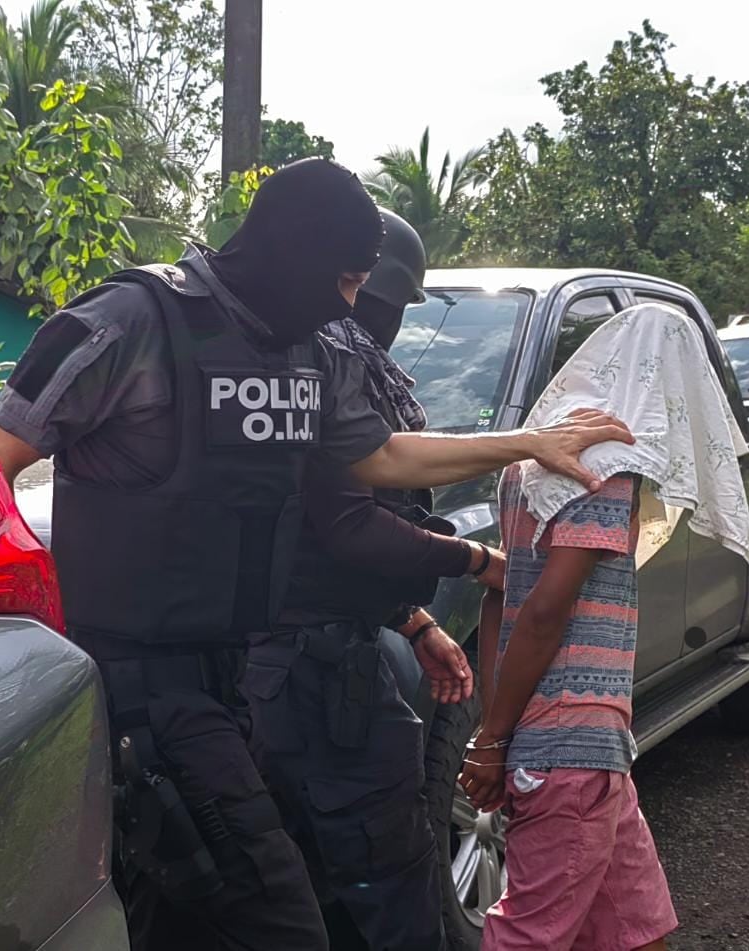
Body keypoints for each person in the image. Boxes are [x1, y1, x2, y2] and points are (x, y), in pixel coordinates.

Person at [0, 158, 633, 951]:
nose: (353, 305)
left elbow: (381, 458)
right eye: (349, 281)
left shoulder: (308, 351)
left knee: (181, 921)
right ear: (293, 254)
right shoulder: (132, 319)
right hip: (137, 686)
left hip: (232, 679)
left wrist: (525, 442)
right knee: (285, 924)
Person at [460, 304, 749, 951]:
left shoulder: (534, 458)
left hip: (590, 748)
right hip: (570, 751)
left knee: (635, 926)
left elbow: (501, 597)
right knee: (529, 935)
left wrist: (499, 724)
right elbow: (544, 609)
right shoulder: (601, 463)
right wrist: (491, 739)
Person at [244, 210, 501, 951]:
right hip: (313, 676)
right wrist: (477, 562)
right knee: (394, 884)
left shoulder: (288, 360)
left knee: (300, 882)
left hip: (277, 668)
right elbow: (349, 525)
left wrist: (415, 620)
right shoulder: (329, 366)